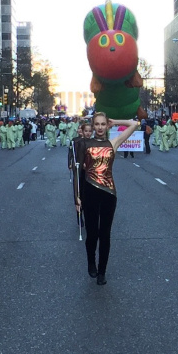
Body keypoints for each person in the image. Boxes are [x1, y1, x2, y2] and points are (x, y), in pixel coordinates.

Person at [74, 113, 138, 285]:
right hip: (89, 191)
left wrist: (116, 121)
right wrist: (77, 198)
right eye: (97, 124)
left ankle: (102, 271)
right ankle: (91, 263)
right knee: (92, 233)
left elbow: (135, 124)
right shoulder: (84, 143)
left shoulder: (113, 143)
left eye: (103, 124)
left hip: (109, 193)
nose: (100, 127)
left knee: (105, 234)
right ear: (93, 126)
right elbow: (78, 172)